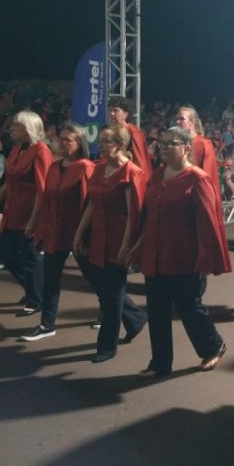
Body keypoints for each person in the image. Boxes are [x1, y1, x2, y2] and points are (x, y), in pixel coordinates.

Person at [127, 125, 231, 377]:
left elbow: (208, 222)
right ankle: (160, 363)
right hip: (156, 256)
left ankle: (213, 346)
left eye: (171, 143)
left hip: (185, 257)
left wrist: (206, 259)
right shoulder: (157, 176)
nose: (164, 147)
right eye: (162, 143)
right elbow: (148, 215)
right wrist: (136, 247)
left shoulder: (197, 179)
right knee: (157, 311)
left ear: (186, 148)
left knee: (190, 308)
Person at [72, 125, 147, 362]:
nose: (101, 145)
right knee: (105, 288)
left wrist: (125, 247)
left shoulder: (132, 173)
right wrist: (79, 233)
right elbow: (91, 204)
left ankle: (106, 346)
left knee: (112, 294)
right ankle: (135, 318)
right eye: (101, 141)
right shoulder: (99, 169)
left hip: (118, 239)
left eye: (106, 141)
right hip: (98, 237)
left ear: (121, 145)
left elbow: (133, 215)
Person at [20, 125, 96, 342]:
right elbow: (47, 200)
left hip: (78, 231)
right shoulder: (54, 167)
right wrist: (38, 226)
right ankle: (47, 324)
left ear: (79, 143)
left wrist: (85, 235)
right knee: (50, 278)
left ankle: (126, 315)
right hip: (56, 231)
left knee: (94, 276)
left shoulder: (86, 167)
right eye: (61, 139)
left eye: (68, 140)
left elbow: (89, 204)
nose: (63, 143)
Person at [0, 111, 53, 316]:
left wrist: (34, 220)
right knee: (6, 253)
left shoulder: (41, 151)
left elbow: (42, 190)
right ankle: (35, 289)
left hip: (31, 213)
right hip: (12, 211)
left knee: (30, 258)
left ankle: (36, 299)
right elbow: (7, 183)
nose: (11, 129)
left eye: (16, 125)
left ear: (28, 128)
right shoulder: (15, 150)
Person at [173, 105, 220, 188]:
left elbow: (208, 175)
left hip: (196, 190)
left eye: (182, 119)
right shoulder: (176, 143)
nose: (178, 122)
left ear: (191, 123)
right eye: (177, 119)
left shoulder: (204, 144)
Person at [108, 96, 153, 180]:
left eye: (115, 110)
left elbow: (141, 159)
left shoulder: (133, 131)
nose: (112, 114)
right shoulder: (110, 131)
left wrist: (140, 180)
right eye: (110, 111)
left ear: (125, 114)